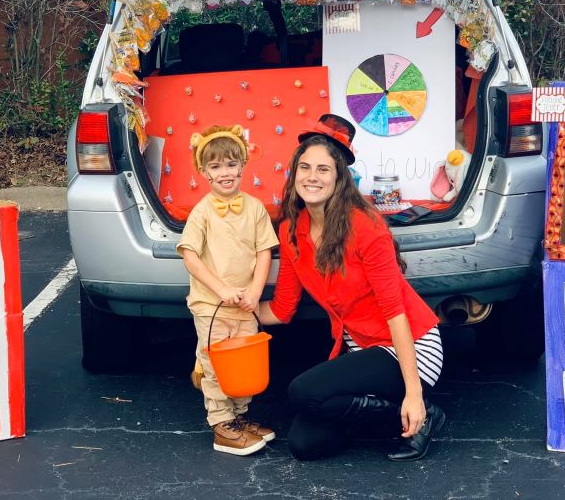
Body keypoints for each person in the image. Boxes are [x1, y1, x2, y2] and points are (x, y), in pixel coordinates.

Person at [258, 116, 446, 461]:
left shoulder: (365, 225)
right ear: (294, 173)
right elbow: (283, 308)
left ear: (339, 178)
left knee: (303, 392)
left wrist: (414, 392)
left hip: (409, 347)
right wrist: (234, 307)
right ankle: (391, 419)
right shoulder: (290, 230)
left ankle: (422, 412)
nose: (312, 177)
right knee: (304, 444)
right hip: (359, 348)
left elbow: (395, 312)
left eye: (323, 170)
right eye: (305, 167)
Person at [177, 124, 279, 456]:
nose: (225, 172)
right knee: (215, 363)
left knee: (244, 365)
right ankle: (221, 423)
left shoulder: (255, 208)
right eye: (216, 166)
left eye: (232, 164)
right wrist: (220, 288)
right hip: (212, 305)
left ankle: (238, 417)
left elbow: (264, 252)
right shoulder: (202, 213)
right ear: (203, 171)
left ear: (243, 165)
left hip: (245, 305)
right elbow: (190, 257)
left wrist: (254, 291)